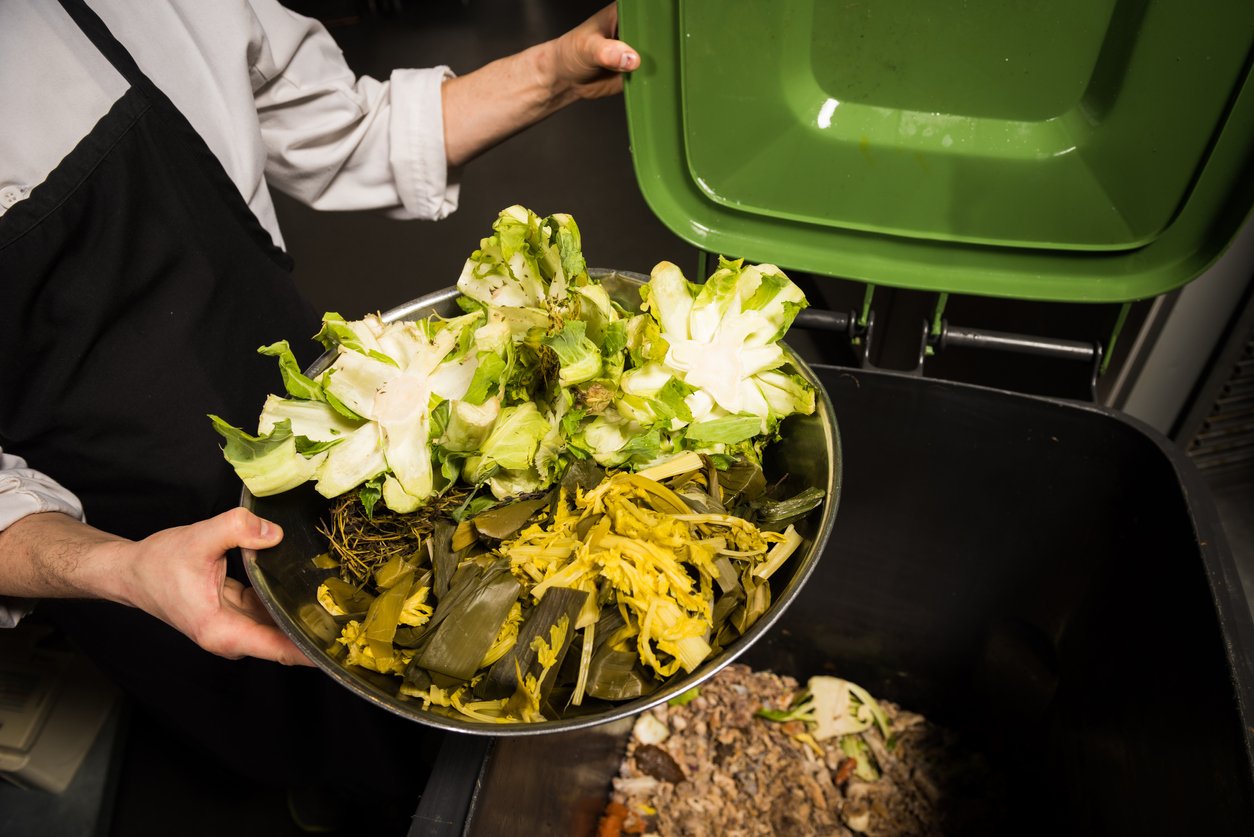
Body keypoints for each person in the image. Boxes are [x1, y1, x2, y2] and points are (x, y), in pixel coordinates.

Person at [0, 0, 637, 826]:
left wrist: (551, 73)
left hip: (332, 428)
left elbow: (352, 132)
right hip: (125, 530)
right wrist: (114, 570)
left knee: (440, 667)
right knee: (290, 739)